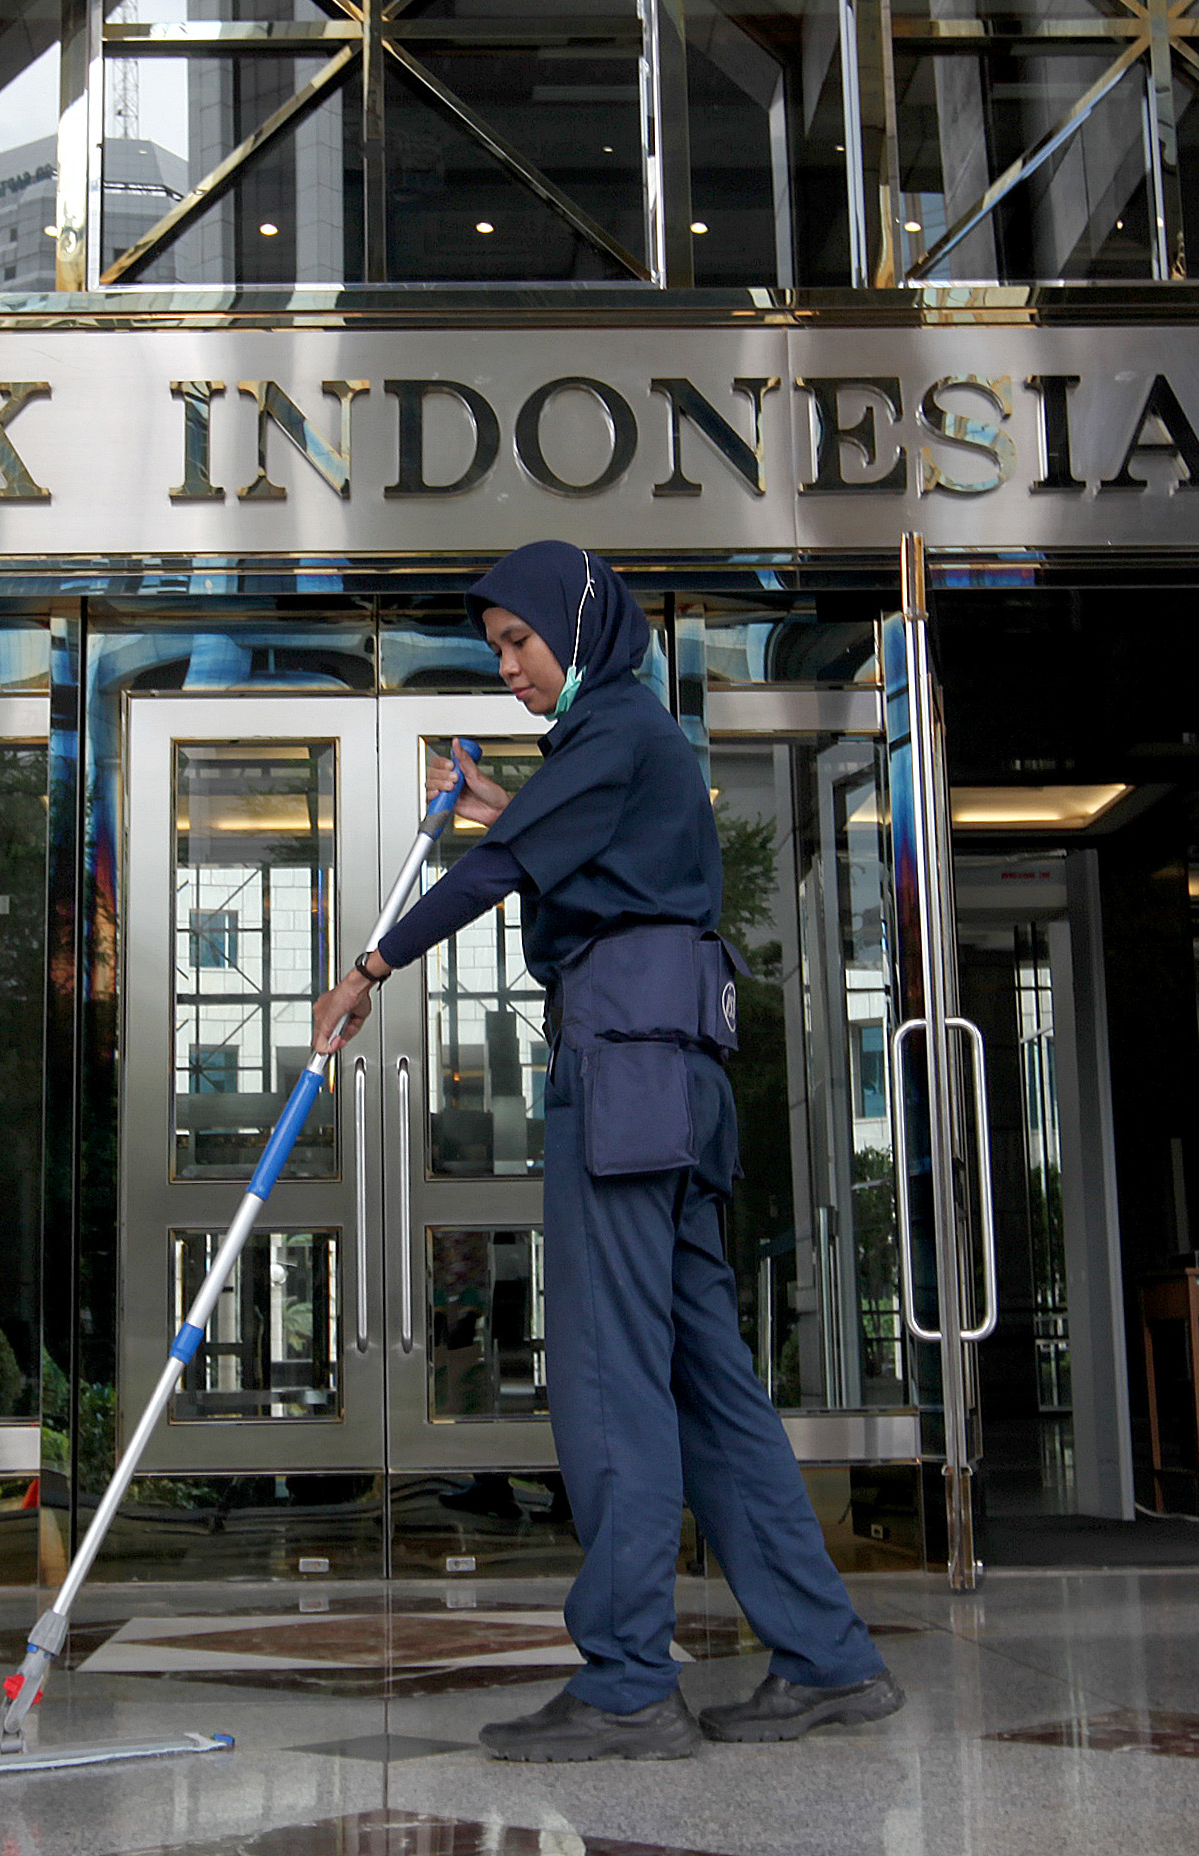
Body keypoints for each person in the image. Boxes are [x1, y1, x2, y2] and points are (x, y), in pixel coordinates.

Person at [310, 540, 901, 1763]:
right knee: (709, 1381)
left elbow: (503, 867)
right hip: (678, 1081)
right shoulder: (634, 739)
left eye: (519, 642)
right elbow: (577, 843)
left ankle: (630, 1678)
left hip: (623, 1076)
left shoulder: (613, 727)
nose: (508, 667)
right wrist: (503, 806)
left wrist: (368, 967)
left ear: (579, 625)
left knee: (609, 1372)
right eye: (496, 650)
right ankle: (829, 1656)